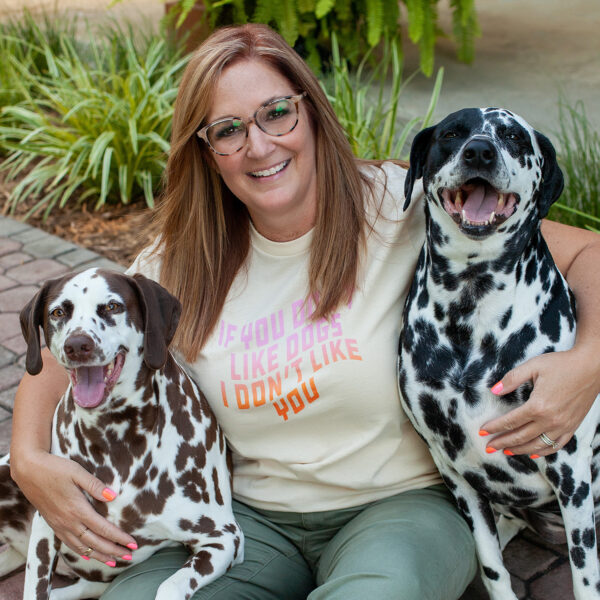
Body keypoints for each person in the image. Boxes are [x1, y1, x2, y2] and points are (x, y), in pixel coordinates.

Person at [10, 23, 600, 600]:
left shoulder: (406, 204)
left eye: (276, 113)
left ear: (310, 111)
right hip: (244, 522)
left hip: (402, 508)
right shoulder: (175, 264)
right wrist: (31, 462)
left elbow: (588, 254)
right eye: (228, 130)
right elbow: (64, 352)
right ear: (206, 150)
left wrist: (588, 361)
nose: (259, 145)